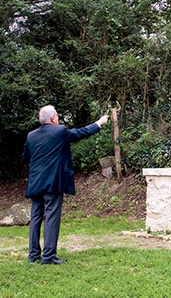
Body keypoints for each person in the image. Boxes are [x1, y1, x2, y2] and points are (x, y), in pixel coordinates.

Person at [22, 105, 108, 265]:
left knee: (35, 218)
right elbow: (81, 133)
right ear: (53, 119)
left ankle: (33, 255)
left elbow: (25, 158)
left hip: (35, 182)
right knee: (51, 218)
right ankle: (48, 257)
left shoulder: (31, 136)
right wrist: (99, 123)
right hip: (53, 182)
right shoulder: (60, 131)